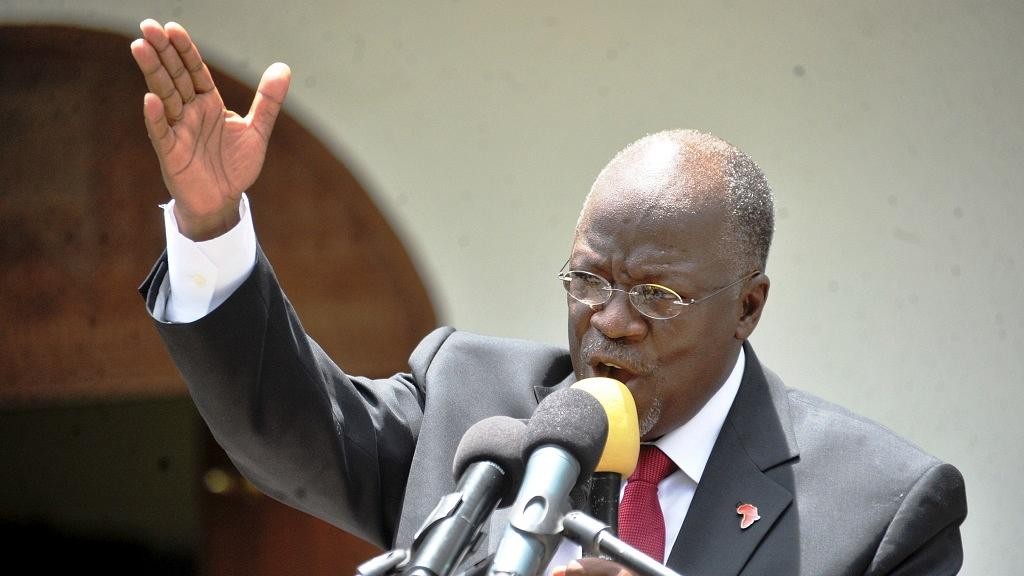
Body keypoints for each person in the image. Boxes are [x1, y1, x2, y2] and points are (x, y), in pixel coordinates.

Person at [131, 19, 967, 576]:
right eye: (589, 281)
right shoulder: (471, 409)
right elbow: (284, 429)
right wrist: (211, 222)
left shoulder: (878, 509)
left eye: (656, 295)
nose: (611, 321)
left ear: (748, 307)